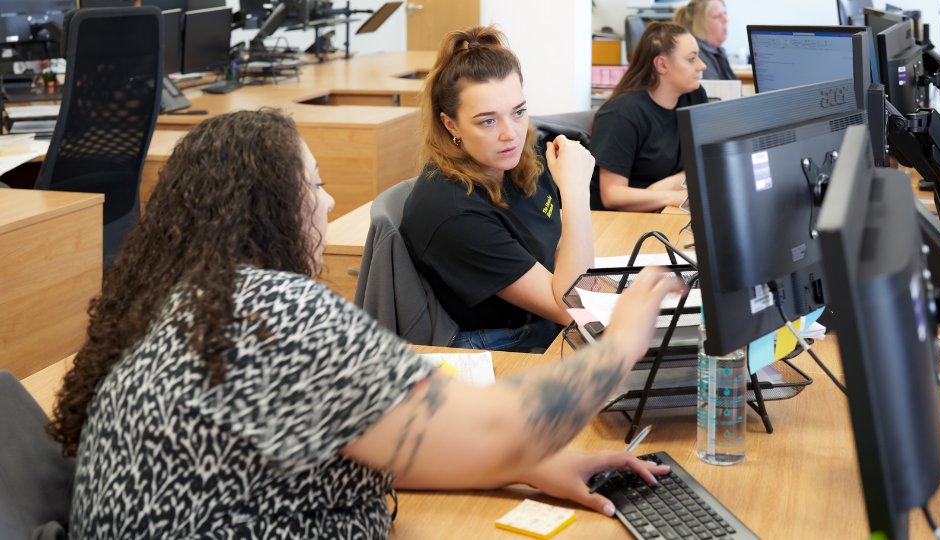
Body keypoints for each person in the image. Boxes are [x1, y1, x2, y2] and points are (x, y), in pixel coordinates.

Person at [47, 109, 684, 539]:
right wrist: (620, 344)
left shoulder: (187, 309)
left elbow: (360, 441)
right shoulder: (274, 316)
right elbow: (494, 425)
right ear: (268, 214)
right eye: (313, 186)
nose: (327, 203)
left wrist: (517, 466)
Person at [400, 26, 596, 352]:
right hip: (499, 343)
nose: (511, 134)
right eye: (488, 121)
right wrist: (576, 191)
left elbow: (560, 245)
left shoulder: (517, 158)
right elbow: (572, 309)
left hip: (543, 314)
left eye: (518, 112)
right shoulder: (454, 211)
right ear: (451, 124)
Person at [589, 22, 708, 212]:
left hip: (662, 209)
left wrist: (665, 186)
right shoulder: (621, 114)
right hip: (624, 220)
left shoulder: (694, 96)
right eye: (691, 59)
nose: (702, 65)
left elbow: (702, 162)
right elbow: (612, 195)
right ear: (662, 65)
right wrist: (677, 196)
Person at [674, 0, 736, 81]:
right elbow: (714, 88)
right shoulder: (697, 54)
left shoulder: (718, 51)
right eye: (717, 16)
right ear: (700, 23)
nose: (725, 19)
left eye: (725, 13)